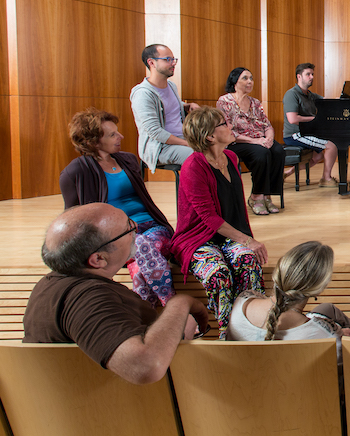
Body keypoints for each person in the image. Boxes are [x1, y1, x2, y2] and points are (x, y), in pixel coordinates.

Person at [23, 204, 208, 385]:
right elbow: (145, 367)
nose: (136, 227)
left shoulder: (50, 286)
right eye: (127, 227)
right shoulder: (87, 300)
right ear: (98, 259)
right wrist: (180, 303)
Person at [60, 108, 176, 306]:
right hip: (117, 236)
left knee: (140, 250)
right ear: (93, 141)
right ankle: (172, 306)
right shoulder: (74, 172)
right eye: (112, 134)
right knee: (139, 255)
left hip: (153, 227)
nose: (120, 136)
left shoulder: (128, 160)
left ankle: (151, 313)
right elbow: (71, 218)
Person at [172, 106, 267, 335]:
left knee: (247, 262)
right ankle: (229, 332)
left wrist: (246, 242)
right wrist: (247, 240)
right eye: (224, 123)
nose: (230, 125)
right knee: (218, 274)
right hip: (199, 238)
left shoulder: (231, 157)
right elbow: (208, 218)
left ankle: (254, 326)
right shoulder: (193, 166)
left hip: (228, 235)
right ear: (209, 136)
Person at [227, 241, 350, 341]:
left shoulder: (241, 305)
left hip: (244, 379)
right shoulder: (326, 336)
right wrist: (342, 338)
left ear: (278, 272)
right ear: (318, 290)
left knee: (327, 309)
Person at [217, 67, 286, 215]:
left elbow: (267, 125)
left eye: (251, 78)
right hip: (237, 142)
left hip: (259, 140)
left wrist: (269, 138)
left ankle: (267, 195)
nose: (250, 81)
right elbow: (227, 131)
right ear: (235, 81)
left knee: (278, 150)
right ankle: (256, 196)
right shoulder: (225, 101)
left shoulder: (255, 102)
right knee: (262, 153)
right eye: (245, 78)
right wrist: (254, 141)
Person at [130, 44, 199, 172]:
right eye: (168, 60)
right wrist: (188, 144)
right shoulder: (142, 93)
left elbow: (171, 108)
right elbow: (155, 132)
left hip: (182, 140)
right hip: (160, 147)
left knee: (222, 153)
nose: (173, 63)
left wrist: (187, 106)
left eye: (174, 59)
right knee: (199, 158)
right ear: (151, 62)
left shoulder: (171, 86)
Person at [283, 62, 338, 187]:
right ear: (299, 76)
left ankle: (286, 173)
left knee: (316, 157)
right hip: (295, 134)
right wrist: (315, 119)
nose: (311, 77)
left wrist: (340, 99)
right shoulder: (291, 94)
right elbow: (292, 119)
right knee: (331, 146)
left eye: (312, 74)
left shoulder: (310, 95)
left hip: (306, 132)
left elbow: (326, 101)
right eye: (308, 74)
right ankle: (326, 179)